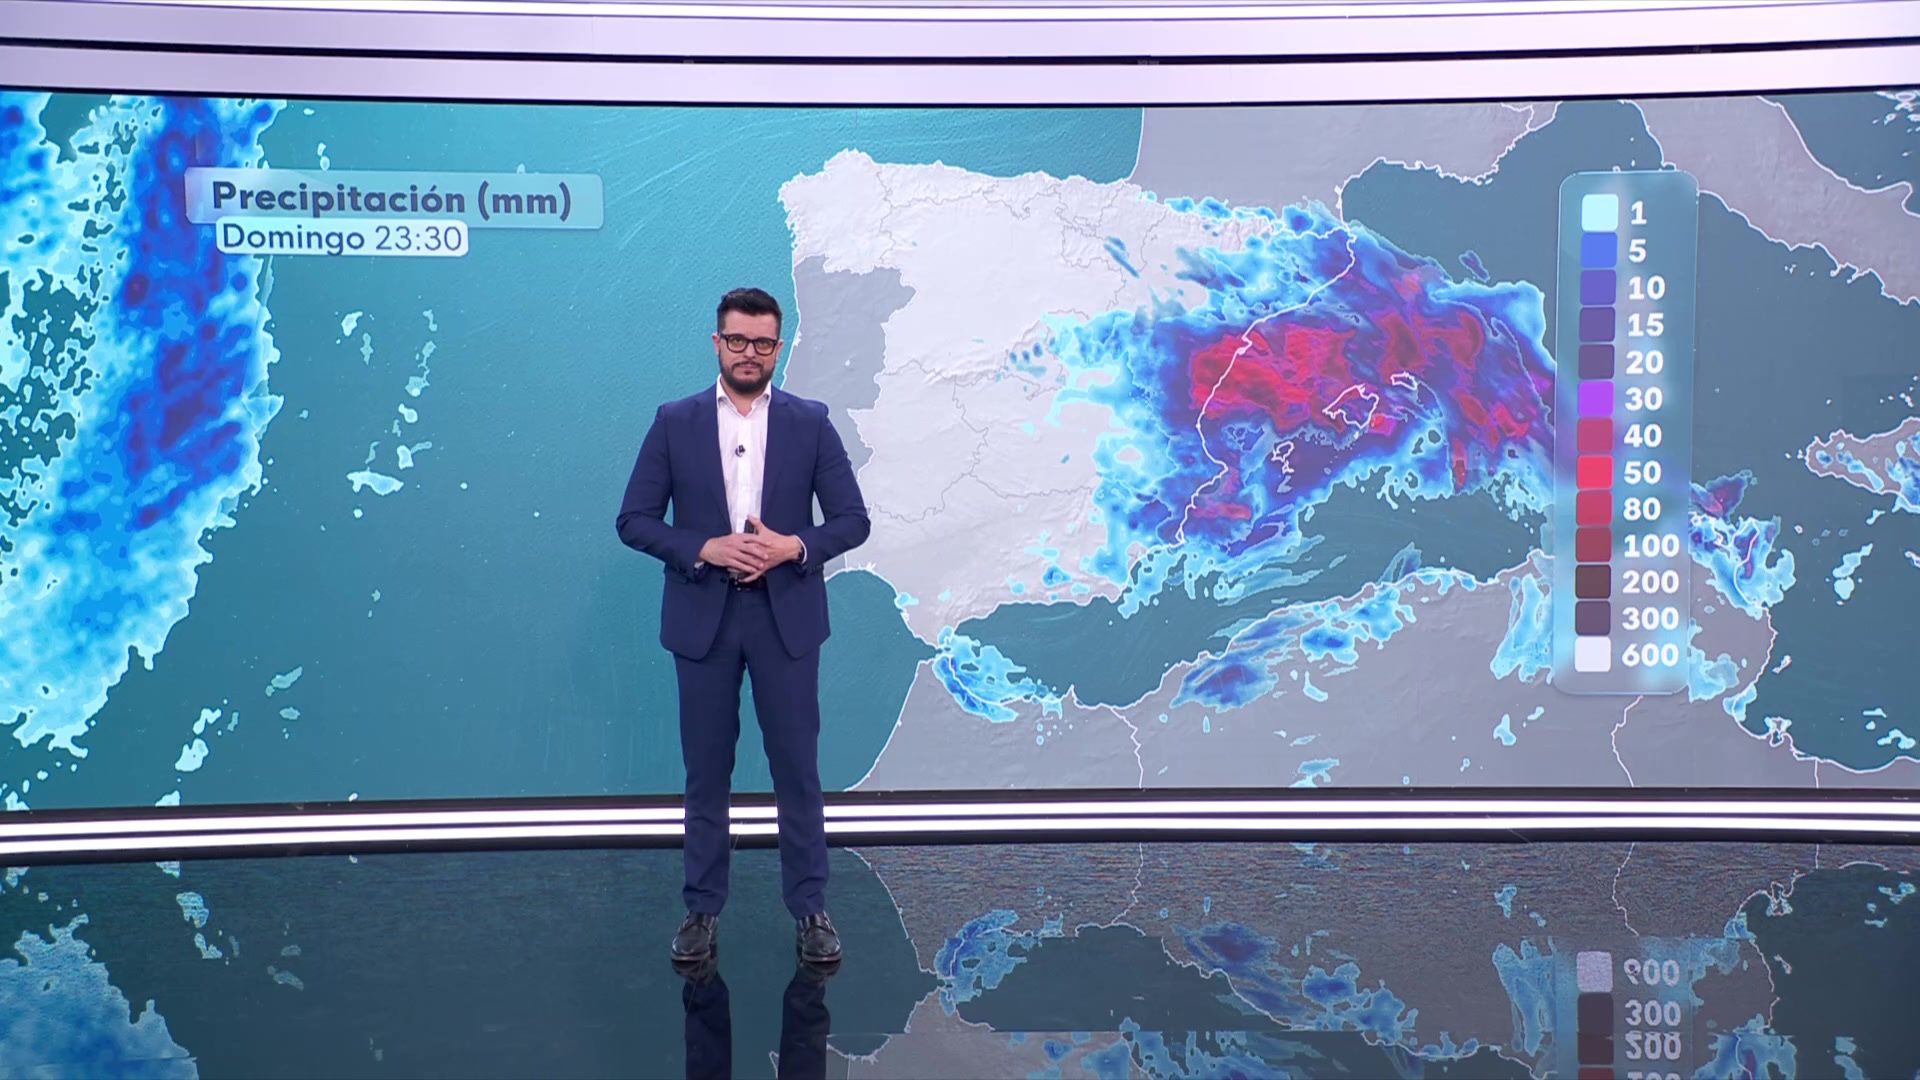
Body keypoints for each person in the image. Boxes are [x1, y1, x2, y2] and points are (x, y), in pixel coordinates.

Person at [617, 287, 870, 966]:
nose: (748, 353)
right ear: (717, 343)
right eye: (737, 340)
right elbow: (634, 519)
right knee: (706, 773)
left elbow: (852, 520)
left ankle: (811, 909)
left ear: (777, 348)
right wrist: (704, 547)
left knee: (797, 771)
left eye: (762, 343)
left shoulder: (810, 423)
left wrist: (793, 546)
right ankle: (701, 909)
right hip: (703, 618)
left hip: (785, 620)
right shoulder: (674, 422)